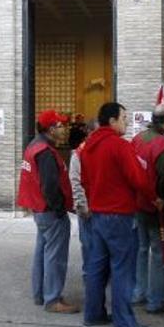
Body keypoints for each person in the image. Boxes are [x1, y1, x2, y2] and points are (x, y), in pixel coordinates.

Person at [80, 102, 159, 327]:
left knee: (96, 267)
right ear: (112, 121)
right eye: (124, 117)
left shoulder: (87, 147)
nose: (126, 122)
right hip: (120, 214)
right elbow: (138, 178)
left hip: (98, 214)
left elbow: (85, 180)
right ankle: (125, 324)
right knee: (123, 269)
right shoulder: (119, 146)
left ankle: (93, 314)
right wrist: (154, 198)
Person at [18, 110, 78, 314]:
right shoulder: (45, 152)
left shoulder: (34, 146)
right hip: (50, 212)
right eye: (61, 125)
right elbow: (50, 187)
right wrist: (61, 210)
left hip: (40, 210)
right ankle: (53, 299)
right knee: (55, 256)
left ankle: (41, 294)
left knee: (42, 253)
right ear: (51, 129)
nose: (64, 129)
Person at [131, 104, 164, 314]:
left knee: (142, 250)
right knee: (161, 254)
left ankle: (139, 292)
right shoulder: (163, 146)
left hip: (138, 204)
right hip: (157, 208)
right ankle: (155, 300)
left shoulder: (138, 139)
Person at [69, 119, 99, 304]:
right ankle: (90, 280)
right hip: (88, 210)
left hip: (103, 208)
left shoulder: (103, 150)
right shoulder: (79, 153)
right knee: (88, 246)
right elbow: (75, 181)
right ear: (88, 133)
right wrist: (82, 205)